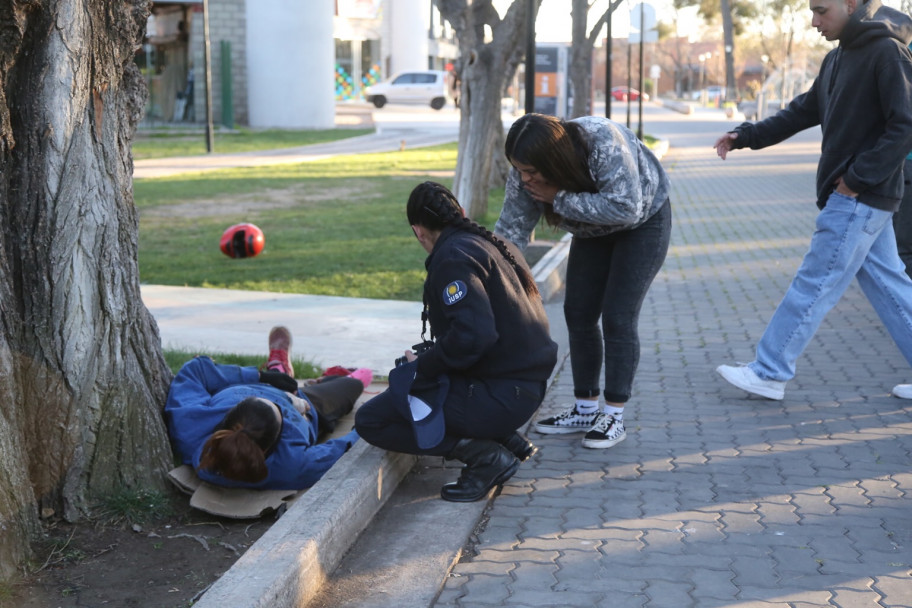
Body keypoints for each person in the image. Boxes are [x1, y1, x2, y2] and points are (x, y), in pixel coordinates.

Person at [713, 0, 912, 401]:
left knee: (814, 282)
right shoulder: (837, 58)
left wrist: (855, 180)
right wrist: (747, 136)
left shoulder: (887, 52)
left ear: (852, 4)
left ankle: (769, 371)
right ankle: (770, 369)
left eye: (821, 11)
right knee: (892, 287)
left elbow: (905, 124)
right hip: (860, 197)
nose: (814, 21)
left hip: (859, 196)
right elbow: (803, 110)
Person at [355, 182, 558, 502]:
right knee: (420, 378)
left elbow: (474, 337)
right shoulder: (488, 242)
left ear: (418, 232)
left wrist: (421, 368)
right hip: (523, 386)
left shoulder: (452, 258)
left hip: (505, 394)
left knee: (373, 418)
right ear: (459, 213)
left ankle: (485, 457)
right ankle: (503, 437)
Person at [494, 113, 672, 450]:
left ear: (555, 161)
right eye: (519, 170)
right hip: (591, 231)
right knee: (578, 313)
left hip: (643, 223)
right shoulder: (525, 173)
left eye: (531, 172)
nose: (525, 178)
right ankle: (585, 409)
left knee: (618, 316)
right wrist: (493, 279)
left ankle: (613, 415)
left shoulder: (602, 142)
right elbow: (512, 230)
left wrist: (558, 198)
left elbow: (626, 208)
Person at [165, 326, 365, 490]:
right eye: (283, 413)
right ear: (275, 442)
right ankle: (286, 373)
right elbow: (341, 450)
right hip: (308, 403)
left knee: (285, 381)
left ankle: (278, 371)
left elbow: (195, 370)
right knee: (359, 380)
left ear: (226, 416)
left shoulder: (191, 428)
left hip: (266, 384)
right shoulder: (290, 465)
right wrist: (362, 430)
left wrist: (260, 378)